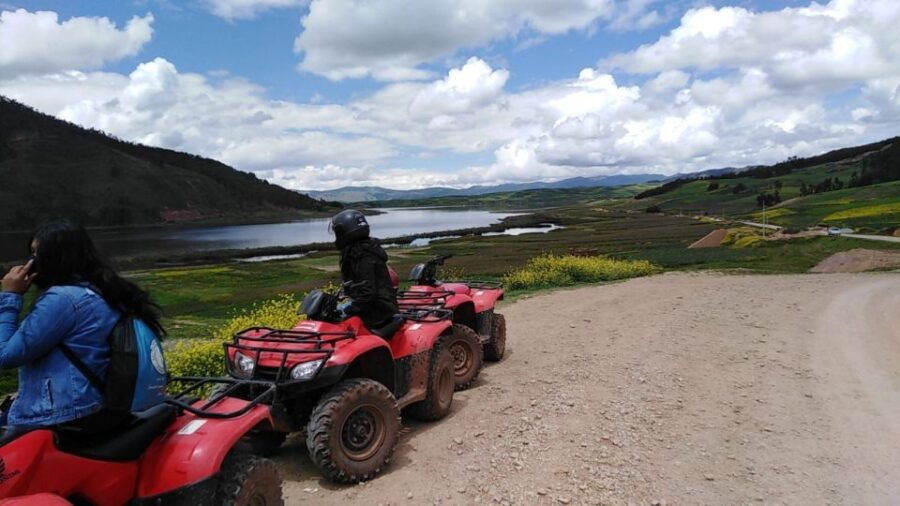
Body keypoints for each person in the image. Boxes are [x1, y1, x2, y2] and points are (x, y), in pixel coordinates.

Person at [0, 219, 164, 431]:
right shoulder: (101, 289)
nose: (31, 262)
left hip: (66, 414)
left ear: (55, 258)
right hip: (93, 404)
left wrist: (10, 296)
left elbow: (5, 355)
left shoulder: (62, 299)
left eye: (37, 254)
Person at [329, 210, 398, 331]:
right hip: (381, 306)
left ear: (345, 232)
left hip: (377, 311)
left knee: (334, 320)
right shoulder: (367, 248)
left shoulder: (362, 255)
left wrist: (349, 309)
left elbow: (367, 293)